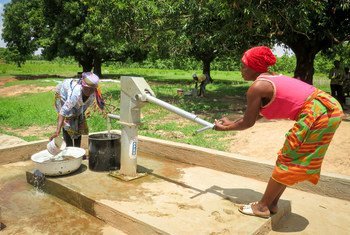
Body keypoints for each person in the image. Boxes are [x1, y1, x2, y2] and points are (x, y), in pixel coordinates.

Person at [214, 46, 343, 218]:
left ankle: (262, 207)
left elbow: (248, 122)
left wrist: (226, 128)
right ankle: (272, 203)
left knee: (289, 158)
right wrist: (232, 122)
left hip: (319, 113)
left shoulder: (257, 87)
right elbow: (256, 114)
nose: (241, 70)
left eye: (244, 66)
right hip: (327, 108)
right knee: (289, 157)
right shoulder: (270, 78)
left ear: (255, 67)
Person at [49, 72, 105, 147]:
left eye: (91, 89)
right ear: (82, 85)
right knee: (67, 121)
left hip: (76, 101)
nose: (88, 91)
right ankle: (69, 148)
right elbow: (63, 112)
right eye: (86, 88)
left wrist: (79, 118)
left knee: (78, 122)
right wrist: (57, 131)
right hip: (63, 94)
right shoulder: (75, 94)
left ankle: (77, 149)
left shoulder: (93, 94)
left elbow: (83, 107)